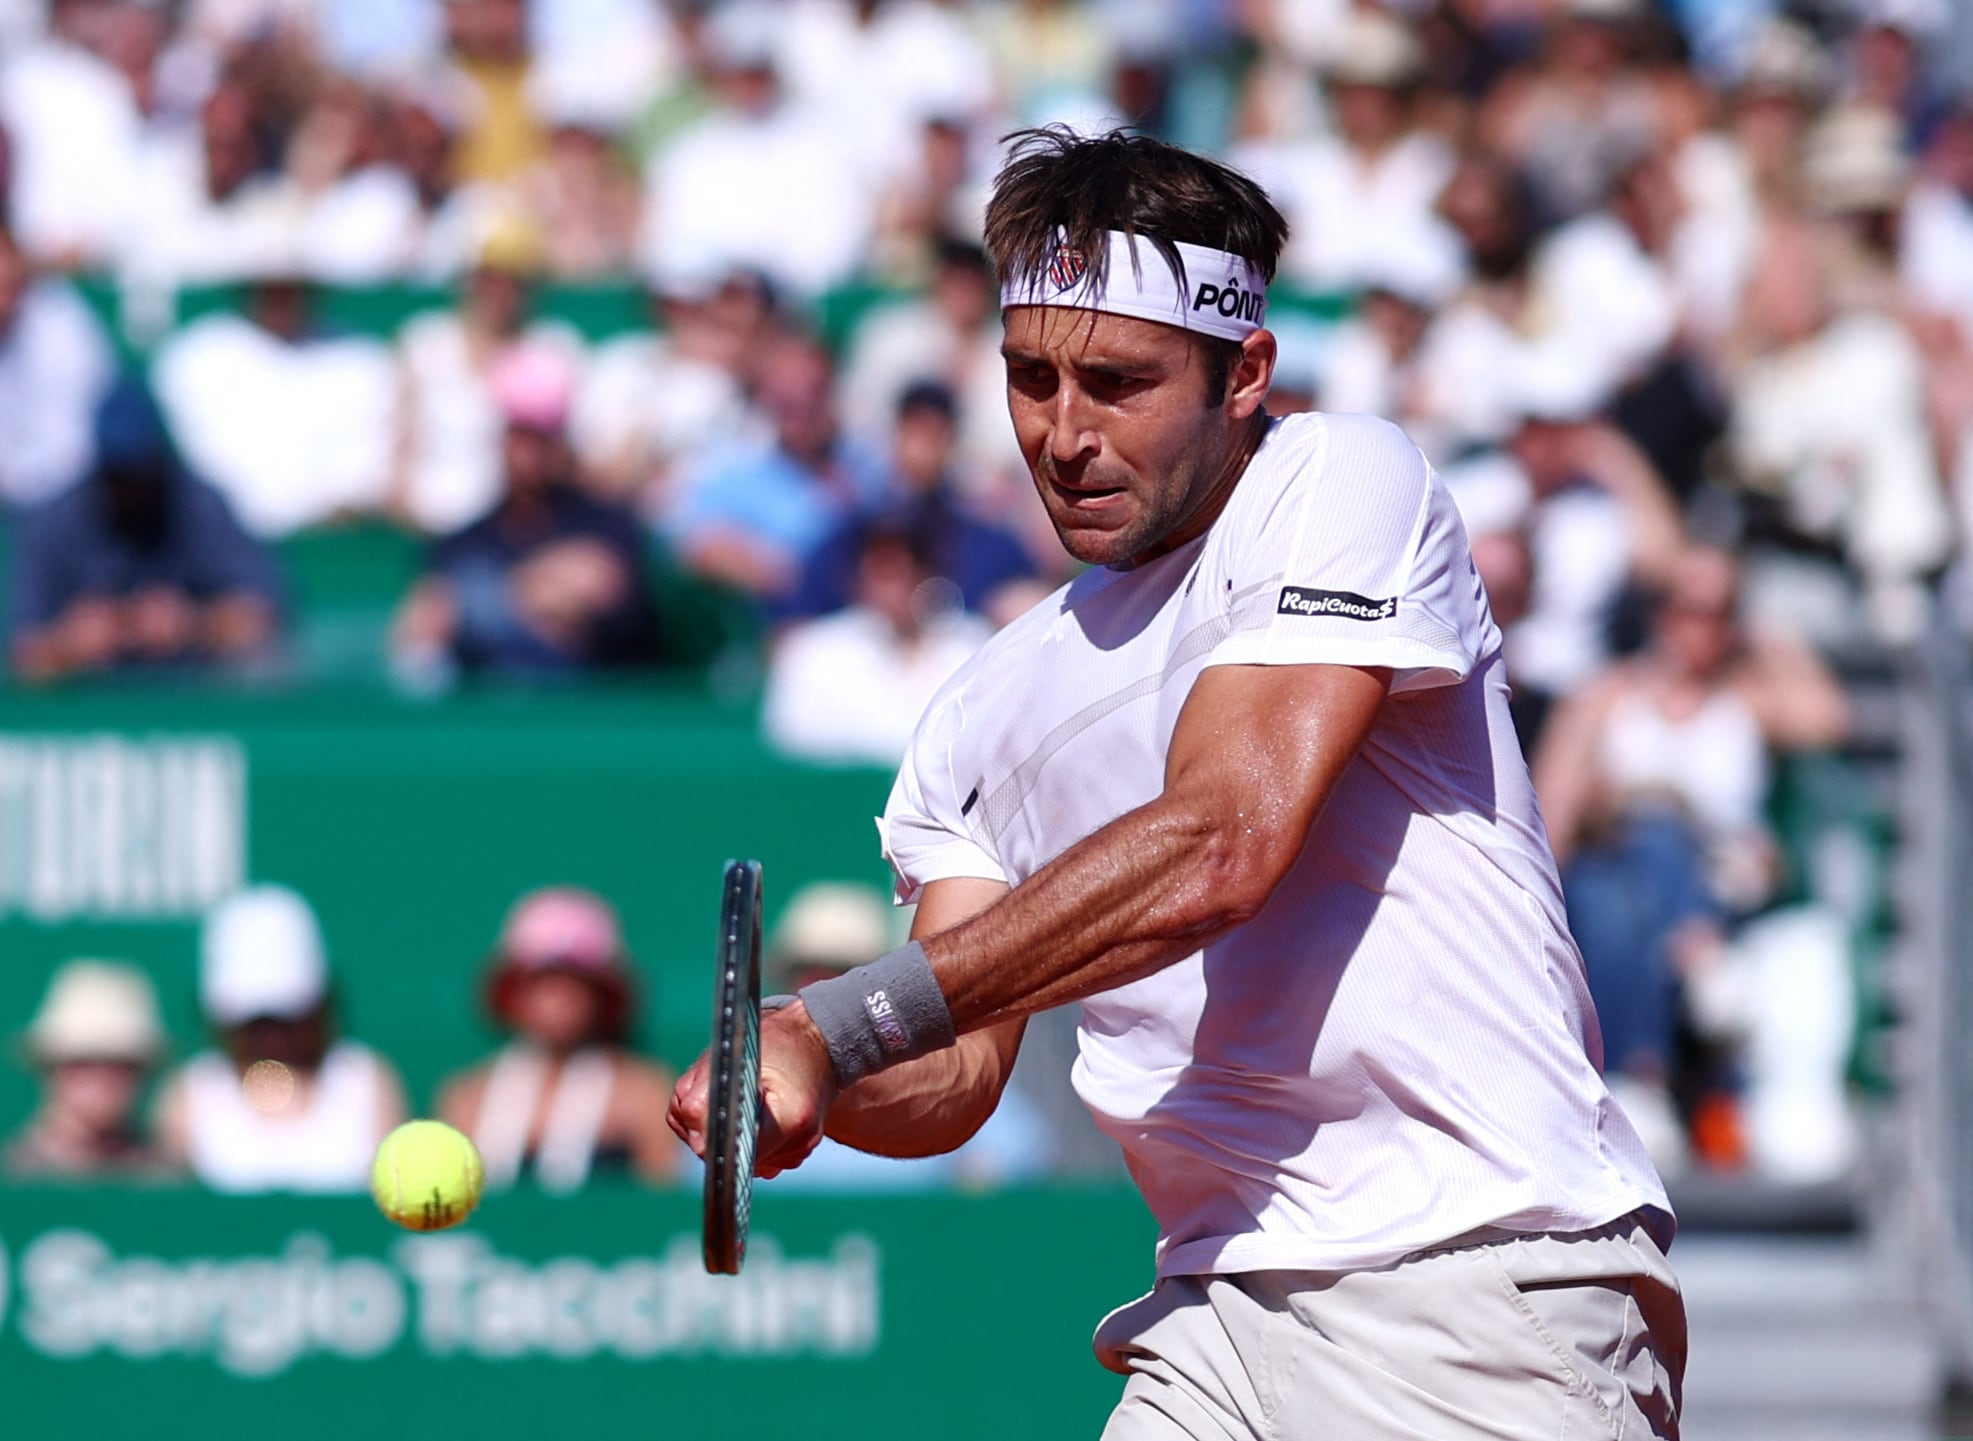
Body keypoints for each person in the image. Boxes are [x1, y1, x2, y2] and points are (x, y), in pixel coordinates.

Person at [670, 127, 1684, 1439]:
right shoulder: (976, 713)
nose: (1064, 433)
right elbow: (960, 1069)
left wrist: (843, 1021)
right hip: (1208, 1322)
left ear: (1244, 372)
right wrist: (806, 1090)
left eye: (1118, 381)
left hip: (1479, 1287)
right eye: (1029, 378)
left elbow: (1225, 839)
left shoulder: (1339, 481)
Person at [391, 343, 660, 681]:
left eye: (540, 438)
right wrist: (534, 590)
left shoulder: (610, 525)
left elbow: (607, 602)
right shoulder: (459, 543)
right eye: (519, 436)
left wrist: (478, 600)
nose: (528, 456)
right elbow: (425, 625)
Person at [8, 376, 284, 682]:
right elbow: (23, 655)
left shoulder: (200, 505)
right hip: (86, 714)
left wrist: (195, 624)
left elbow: (264, 621)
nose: (129, 490)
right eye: (117, 477)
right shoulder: (54, 519)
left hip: (195, 702)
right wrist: (70, 645)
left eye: (138, 474)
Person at [155, 884, 410, 1193]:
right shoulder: (190, 1097)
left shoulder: (368, 1084)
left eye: (286, 1016)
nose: (271, 1036)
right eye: (254, 1021)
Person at [436, 887, 679, 1192]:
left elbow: (662, 1205)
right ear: (513, 992)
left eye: (575, 983)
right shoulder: (466, 1098)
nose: (559, 999)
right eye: (543, 982)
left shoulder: (646, 1092)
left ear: (602, 995)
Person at [6, 959, 171, 1178]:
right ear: (50, 1067)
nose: (101, 1078)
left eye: (118, 1063)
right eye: (82, 1061)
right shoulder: (13, 1174)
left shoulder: (162, 1177)